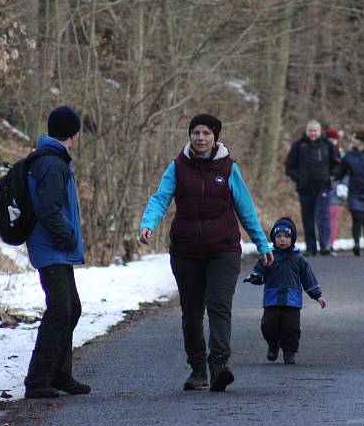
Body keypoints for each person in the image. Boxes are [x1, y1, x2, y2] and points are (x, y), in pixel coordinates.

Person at [138, 114, 273, 392]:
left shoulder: (228, 168)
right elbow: (160, 198)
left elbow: (245, 209)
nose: (201, 138)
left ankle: (219, 364)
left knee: (219, 306)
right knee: (191, 312)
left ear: (216, 137)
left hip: (223, 249)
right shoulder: (177, 167)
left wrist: (262, 244)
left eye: (206, 133)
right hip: (186, 251)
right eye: (196, 133)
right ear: (190, 136)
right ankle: (198, 367)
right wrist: (148, 224)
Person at [23, 105, 90, 399]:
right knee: (60, 311)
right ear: (74, 134)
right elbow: (48, 210)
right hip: (51, 248)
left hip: (55, 249)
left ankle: (61, 375)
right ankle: (38, 380)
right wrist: (67, 237)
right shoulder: (52, 164)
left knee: (70, 309)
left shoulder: (52, 159)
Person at [244, 217, 326, 365]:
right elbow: (260, 273)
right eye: (279, 236)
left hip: (292, 301)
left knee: (291, 328)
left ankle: (289, 352)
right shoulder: (268, 256)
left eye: (286, 237)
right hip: (272, 299)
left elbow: (308, 278)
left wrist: (317, 295)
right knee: (267, 326)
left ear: (293, 239)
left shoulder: (298, 258)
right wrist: (255, 277)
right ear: (274, 238)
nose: (282, 240)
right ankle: (273, 345)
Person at [284, 120, 341, 256]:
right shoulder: (299, 145)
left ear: (320, 131)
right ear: (306, 131)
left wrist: (332, 176)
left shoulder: (327, 145)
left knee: (323, 216)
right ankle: (311, 247)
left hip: (323, 187)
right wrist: (298, 178)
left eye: (315, 130)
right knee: (307, 217)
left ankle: (325, 245)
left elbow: (338, 164)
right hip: (304, 188)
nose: (313, 133)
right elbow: (289, 166)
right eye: (311, 130)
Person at [325, 127, 348, 251]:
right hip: (323, 190)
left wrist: (343, 186)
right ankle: (324, 241)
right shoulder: (322, 153)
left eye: (333, 139)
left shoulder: (342, 154)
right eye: (328, 138)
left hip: (337, 192)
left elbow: (347, 173)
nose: (330, 141)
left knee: (332, 216)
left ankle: (330, 243)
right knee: (324, 217)